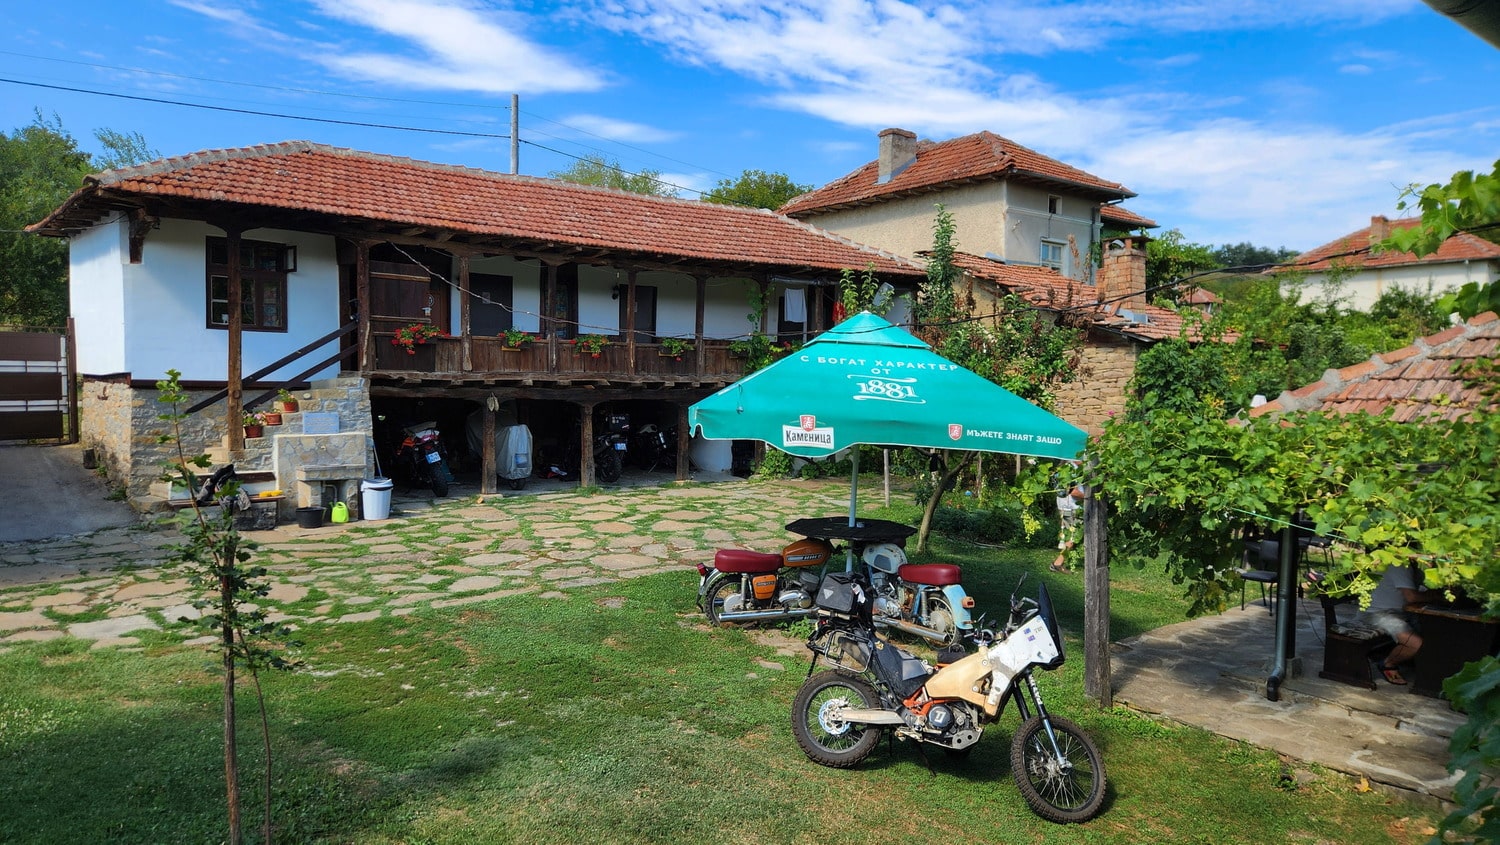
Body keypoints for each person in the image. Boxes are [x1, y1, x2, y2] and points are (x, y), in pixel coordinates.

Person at [1361, 563, 1434, 685]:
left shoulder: (1409, 565)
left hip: (1399, 612)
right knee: (1415, 644)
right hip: (1377, 614)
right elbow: (1411, 597)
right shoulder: (1399, 565)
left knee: (1434, 631)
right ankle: (1388, 663)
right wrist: (1437, 597)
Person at [1050, 462, 1084, 573]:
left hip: (1067, 508)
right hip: (1072, 509)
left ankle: (1059, 562)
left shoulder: (1064, 468)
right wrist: (1090, 496)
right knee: (1074, 537)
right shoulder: (1071, 470)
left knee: (1072, 537)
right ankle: (1057, 563)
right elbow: (1073, 492)